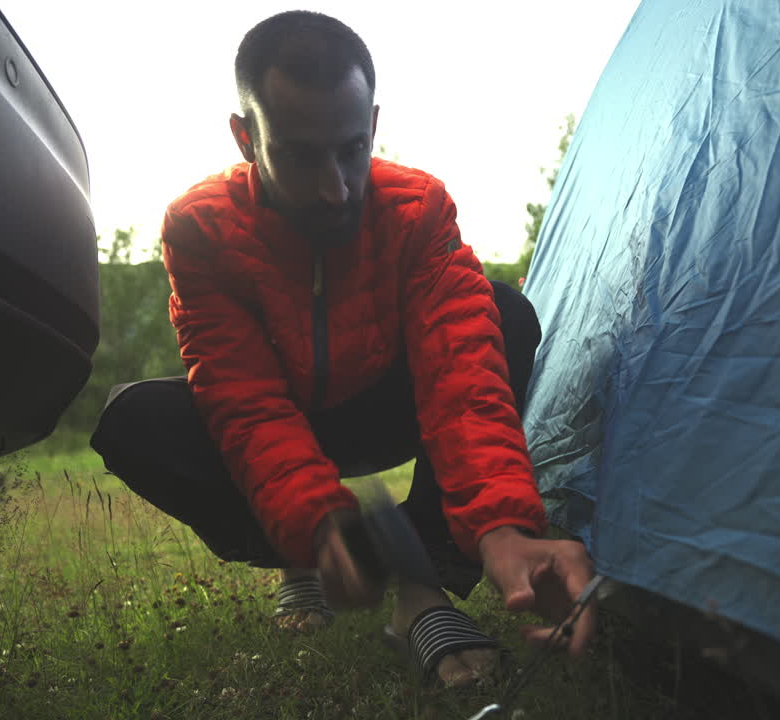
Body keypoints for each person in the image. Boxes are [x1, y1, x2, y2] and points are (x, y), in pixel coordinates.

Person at [90, 10, 596, 688]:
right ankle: (315, 558)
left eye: (352, 150)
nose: (336, 187)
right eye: (301, 155)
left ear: (375, 127)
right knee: (134, 420)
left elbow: (462, 378)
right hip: (289, 415)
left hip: (387, 407)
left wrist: (501, 529)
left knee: (502, 313)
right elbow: (246, 403)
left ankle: (425, 588)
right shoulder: (200, 229)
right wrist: (320, 525)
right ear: (246, 137)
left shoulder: (418, 210)